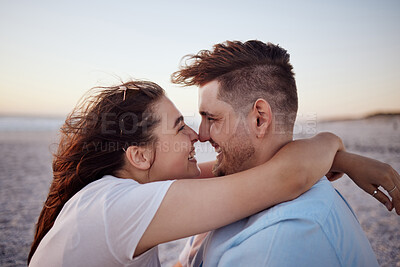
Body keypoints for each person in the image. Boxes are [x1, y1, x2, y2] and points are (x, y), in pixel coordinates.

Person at [29, 80, 348, 266]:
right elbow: (286, 177)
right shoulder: (116, 207)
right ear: (140, 155)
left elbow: (239, 170)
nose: (197, 135)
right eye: (180, 127)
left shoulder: (116, 195)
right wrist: (330, 141)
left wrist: (347, 161)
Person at [171, 40, 400, 267]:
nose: (200, 135)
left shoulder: (276, 244)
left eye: (211, 118)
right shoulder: (228, 189)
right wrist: (335, 151)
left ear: (259, 119)